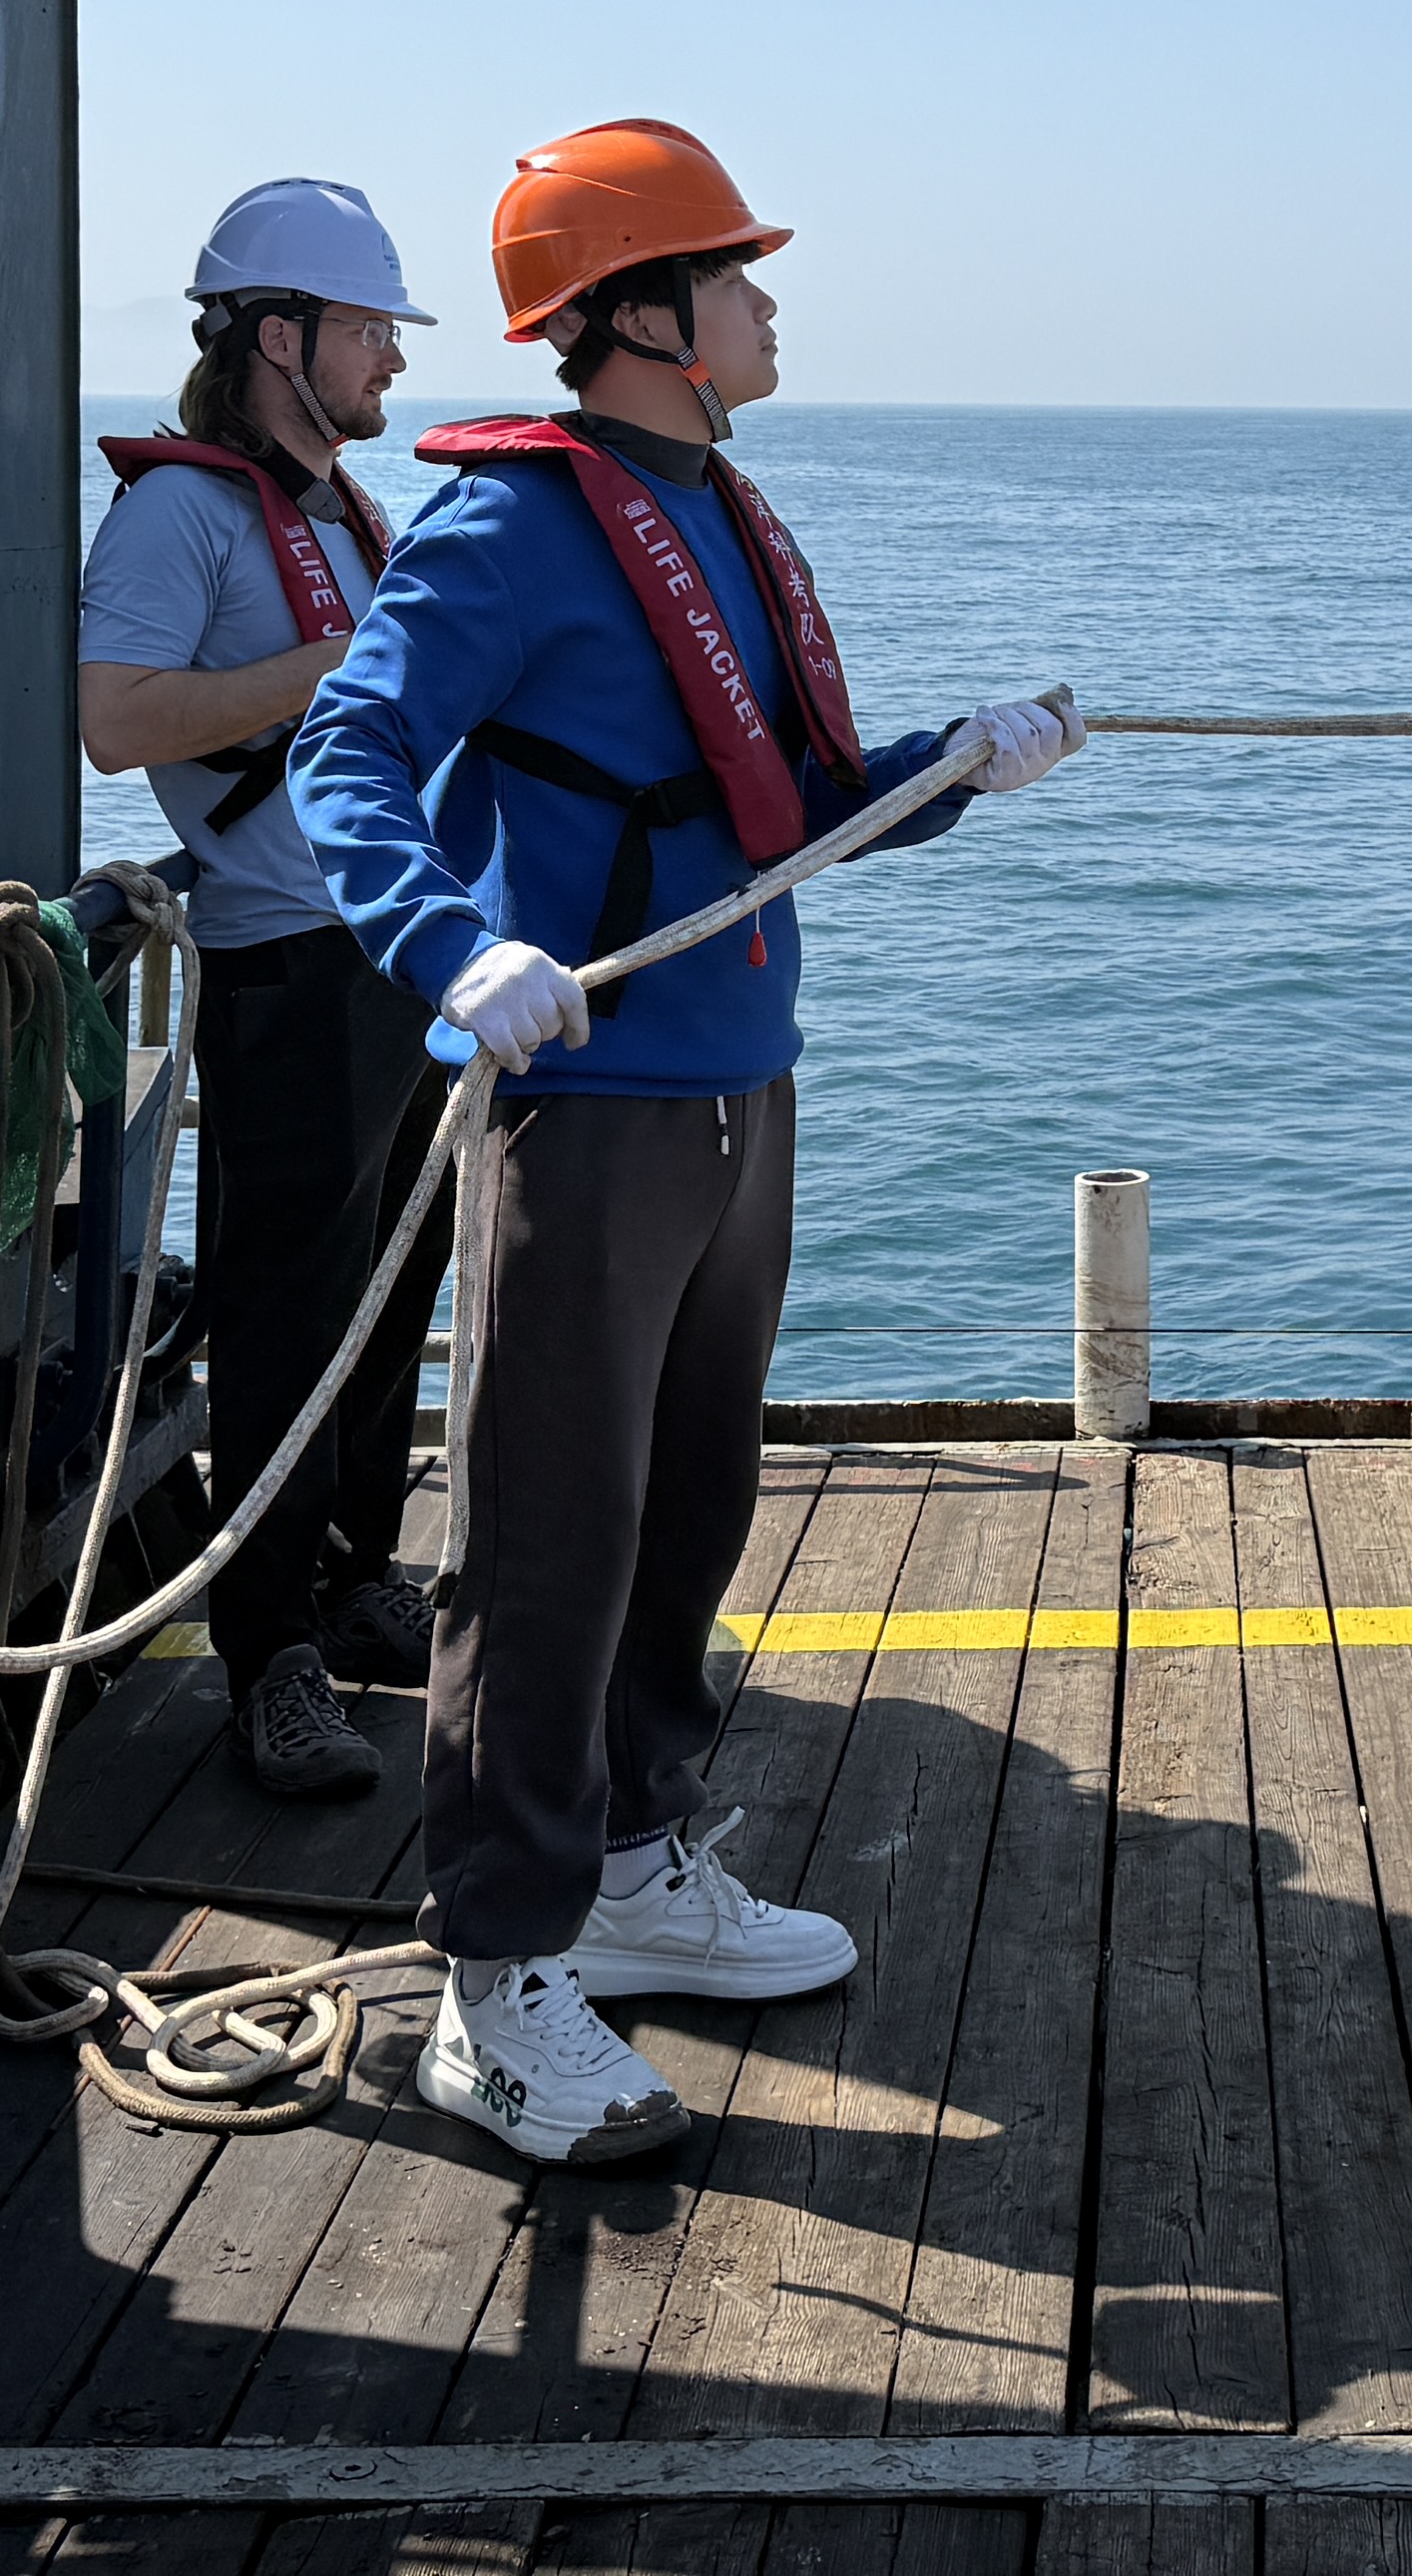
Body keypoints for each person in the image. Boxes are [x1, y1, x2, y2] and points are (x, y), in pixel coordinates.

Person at [283, 119, 1079, 2164]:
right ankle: (496, 1975)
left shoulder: (714, 509)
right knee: (545, 1538)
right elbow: (347, 750)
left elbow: (780, 796)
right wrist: (453, 949)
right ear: (639, 316)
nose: (768, 300)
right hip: (589, 1109)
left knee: (691, 1501)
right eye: (735, 272)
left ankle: (634, 1860)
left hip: (740, 1084)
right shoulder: (507, 532)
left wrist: (958, 766)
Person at [75, 177, 464, 1799]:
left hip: (396, 949)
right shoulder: (186, 515)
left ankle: (353, 1572)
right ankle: (268, 1660)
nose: (390, 362)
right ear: (278, 339)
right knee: (289, 1315)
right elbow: (114, 715)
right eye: (370, 329)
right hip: (284, 965)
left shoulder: (339, 514)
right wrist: (331, 672)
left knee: (393, 1279)